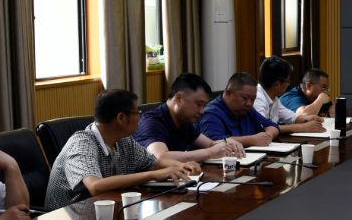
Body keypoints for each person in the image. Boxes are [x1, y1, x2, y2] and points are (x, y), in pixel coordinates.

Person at [46, 89, 198, 210]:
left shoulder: (124, 141)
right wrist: (153, 175)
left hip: (106, 212)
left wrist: (181, 166)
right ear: (121, 118)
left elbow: (154, 163)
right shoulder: (82, 144)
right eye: (137, 114)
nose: (140, 119)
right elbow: (95, 186)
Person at [135, 72, 245, 165]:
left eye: (204, 106)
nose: (202, 111)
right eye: (199, 104)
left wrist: (226, 141)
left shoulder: (184, 122)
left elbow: (210, 144)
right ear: (178, 99)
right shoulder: (151, 122)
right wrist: (210, 153)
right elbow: (161, 158)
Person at [197, 72, 283, 147]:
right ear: (228, 94)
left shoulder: (249, 111)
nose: (249, 104)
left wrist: (266, 136)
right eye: (245, 98)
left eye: (253, 99)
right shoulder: (211, 114)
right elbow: (214, 142)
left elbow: (273, 127)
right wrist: (252, 140)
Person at [253, 57, 326, 134]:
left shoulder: (273, 97)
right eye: (288, 81)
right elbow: (264, 128)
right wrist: (303, 127)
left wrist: (310, 118)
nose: (288, 85)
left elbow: (290, 117)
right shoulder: (257, 98)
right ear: (277, 84)